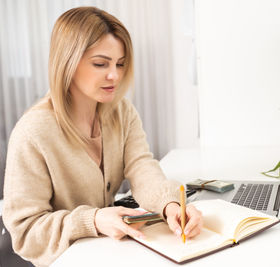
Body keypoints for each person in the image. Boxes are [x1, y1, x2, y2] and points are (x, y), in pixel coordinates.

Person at [2, 6, 202, 266]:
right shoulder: (33, 132)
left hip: (104, 252)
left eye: (120, 64)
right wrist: (93, 220)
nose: (114, 75)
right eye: (100, 64)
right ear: (68, 63)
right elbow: (25, 232)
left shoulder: (122, 112)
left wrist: (170, 205)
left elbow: (142, 168)